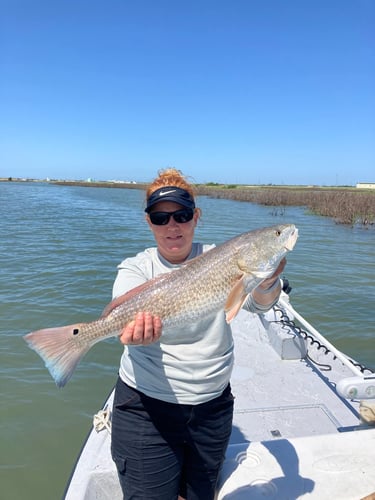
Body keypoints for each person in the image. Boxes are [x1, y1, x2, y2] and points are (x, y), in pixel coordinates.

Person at [111, 168, 286, 500]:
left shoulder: (222, 257)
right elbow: (123, 302)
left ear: (196, 217)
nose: (172, 225)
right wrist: (131, 329)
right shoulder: (136, 268)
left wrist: (266, 282)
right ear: (148, 222)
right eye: (160, 218)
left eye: (182, 215)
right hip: (147, 409)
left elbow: (259, 306)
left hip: (212, 408)